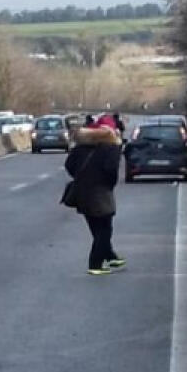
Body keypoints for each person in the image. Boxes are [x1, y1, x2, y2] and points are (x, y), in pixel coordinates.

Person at [64, 115, 125, 275]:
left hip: (82, 192)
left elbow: (69, 165)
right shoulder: (110, 147)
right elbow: (111, 171)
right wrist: (109, 184)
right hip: (101, 192)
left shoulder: (81, 146)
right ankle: (95, 264)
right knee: (105, 229)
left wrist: (81, 176)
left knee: (96, 227)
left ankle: (109, 255)